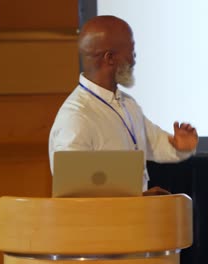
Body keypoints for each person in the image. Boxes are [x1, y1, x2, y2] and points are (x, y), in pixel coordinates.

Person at [49, 15, 198, 194]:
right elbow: (74, 193)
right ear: (110, 58)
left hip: (135, 218)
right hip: (103, 221)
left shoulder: (128, 104)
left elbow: (154, 143)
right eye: (131, 50)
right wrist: (139, 200)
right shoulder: (76, 117)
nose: (134, 59)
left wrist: (180, 147)